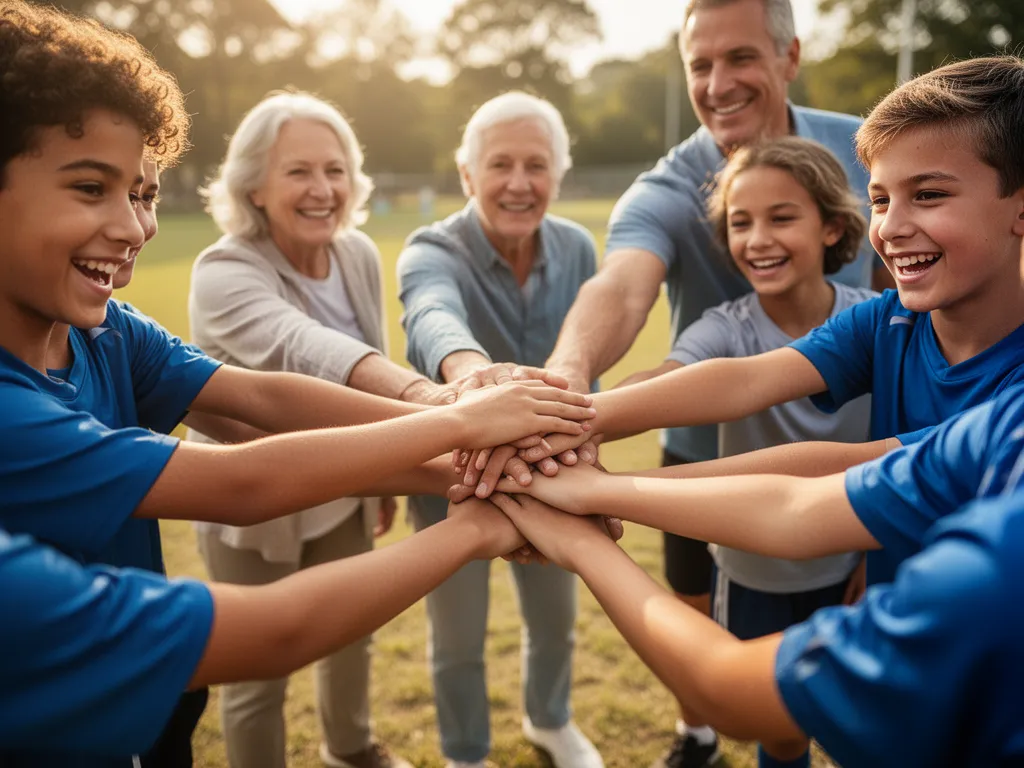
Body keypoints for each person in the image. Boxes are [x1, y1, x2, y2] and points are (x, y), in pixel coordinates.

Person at [0, 4, 597, 764]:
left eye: (143, 195)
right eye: (91, 188)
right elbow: (241, 482)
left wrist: (457, 426)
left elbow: (260, 395)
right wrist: (465, 443)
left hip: (147, 708)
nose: (132, 228)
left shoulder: (107, 330)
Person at [539, 3, 884, 761]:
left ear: (790, 56)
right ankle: (699, 725)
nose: (718, 84)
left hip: (863, 460)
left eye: (740, 59)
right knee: (716, 629)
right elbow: (624, 288)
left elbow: (911, 283)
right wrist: (564, 395)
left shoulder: (865, 149)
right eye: (700, 65)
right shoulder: (669, 188)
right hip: (708, 447)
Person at [190, 90, 461, 768]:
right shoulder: (222, 270)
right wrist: (436, 406)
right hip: (254, 502)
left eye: (335, 170)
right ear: (253, 186)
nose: (323, 189)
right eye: (299, 172)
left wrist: (380, 479)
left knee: (352, 632)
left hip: (344, 486)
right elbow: (304, 349)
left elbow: (372, 346)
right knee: (256, 673)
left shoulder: (358, 254)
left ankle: (352, 748)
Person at [609, 137, 875, 768]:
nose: (758, 238)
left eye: (781, 217)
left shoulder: (877, 322)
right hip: (755, 575)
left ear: (831, 225)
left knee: (864, 727)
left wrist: (878, 551)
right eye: (740, 223)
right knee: (781, 733)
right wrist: (578, 416)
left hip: (854, 568)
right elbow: (668, 377)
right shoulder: (727, 326)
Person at [483, 485, 1024, 768]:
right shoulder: (1007, 418)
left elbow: (727, 687)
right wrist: (595, 491)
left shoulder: (991, 578)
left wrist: (580, 541)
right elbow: (809, 497)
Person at [0, 495, 540, 758]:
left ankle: (350, 745)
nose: (126, 264)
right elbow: (278, 629)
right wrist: (475, 524)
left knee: (350, 643)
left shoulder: (117, 334)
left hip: (343, 498)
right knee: (251, 687)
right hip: (256, 523)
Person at [396, 91, 603, 768]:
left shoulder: (575, 247)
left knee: (555, 621)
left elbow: (587, 351)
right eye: (501, 164)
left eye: (536, 165)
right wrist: (475, 381)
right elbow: (431, 314)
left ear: (558, 175)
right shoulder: (430, 246)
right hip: (450, 473)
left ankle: (550, 719)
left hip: (549, 476)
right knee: (456, 636)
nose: (519, 183)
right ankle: (464, 754)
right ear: (467, 175)